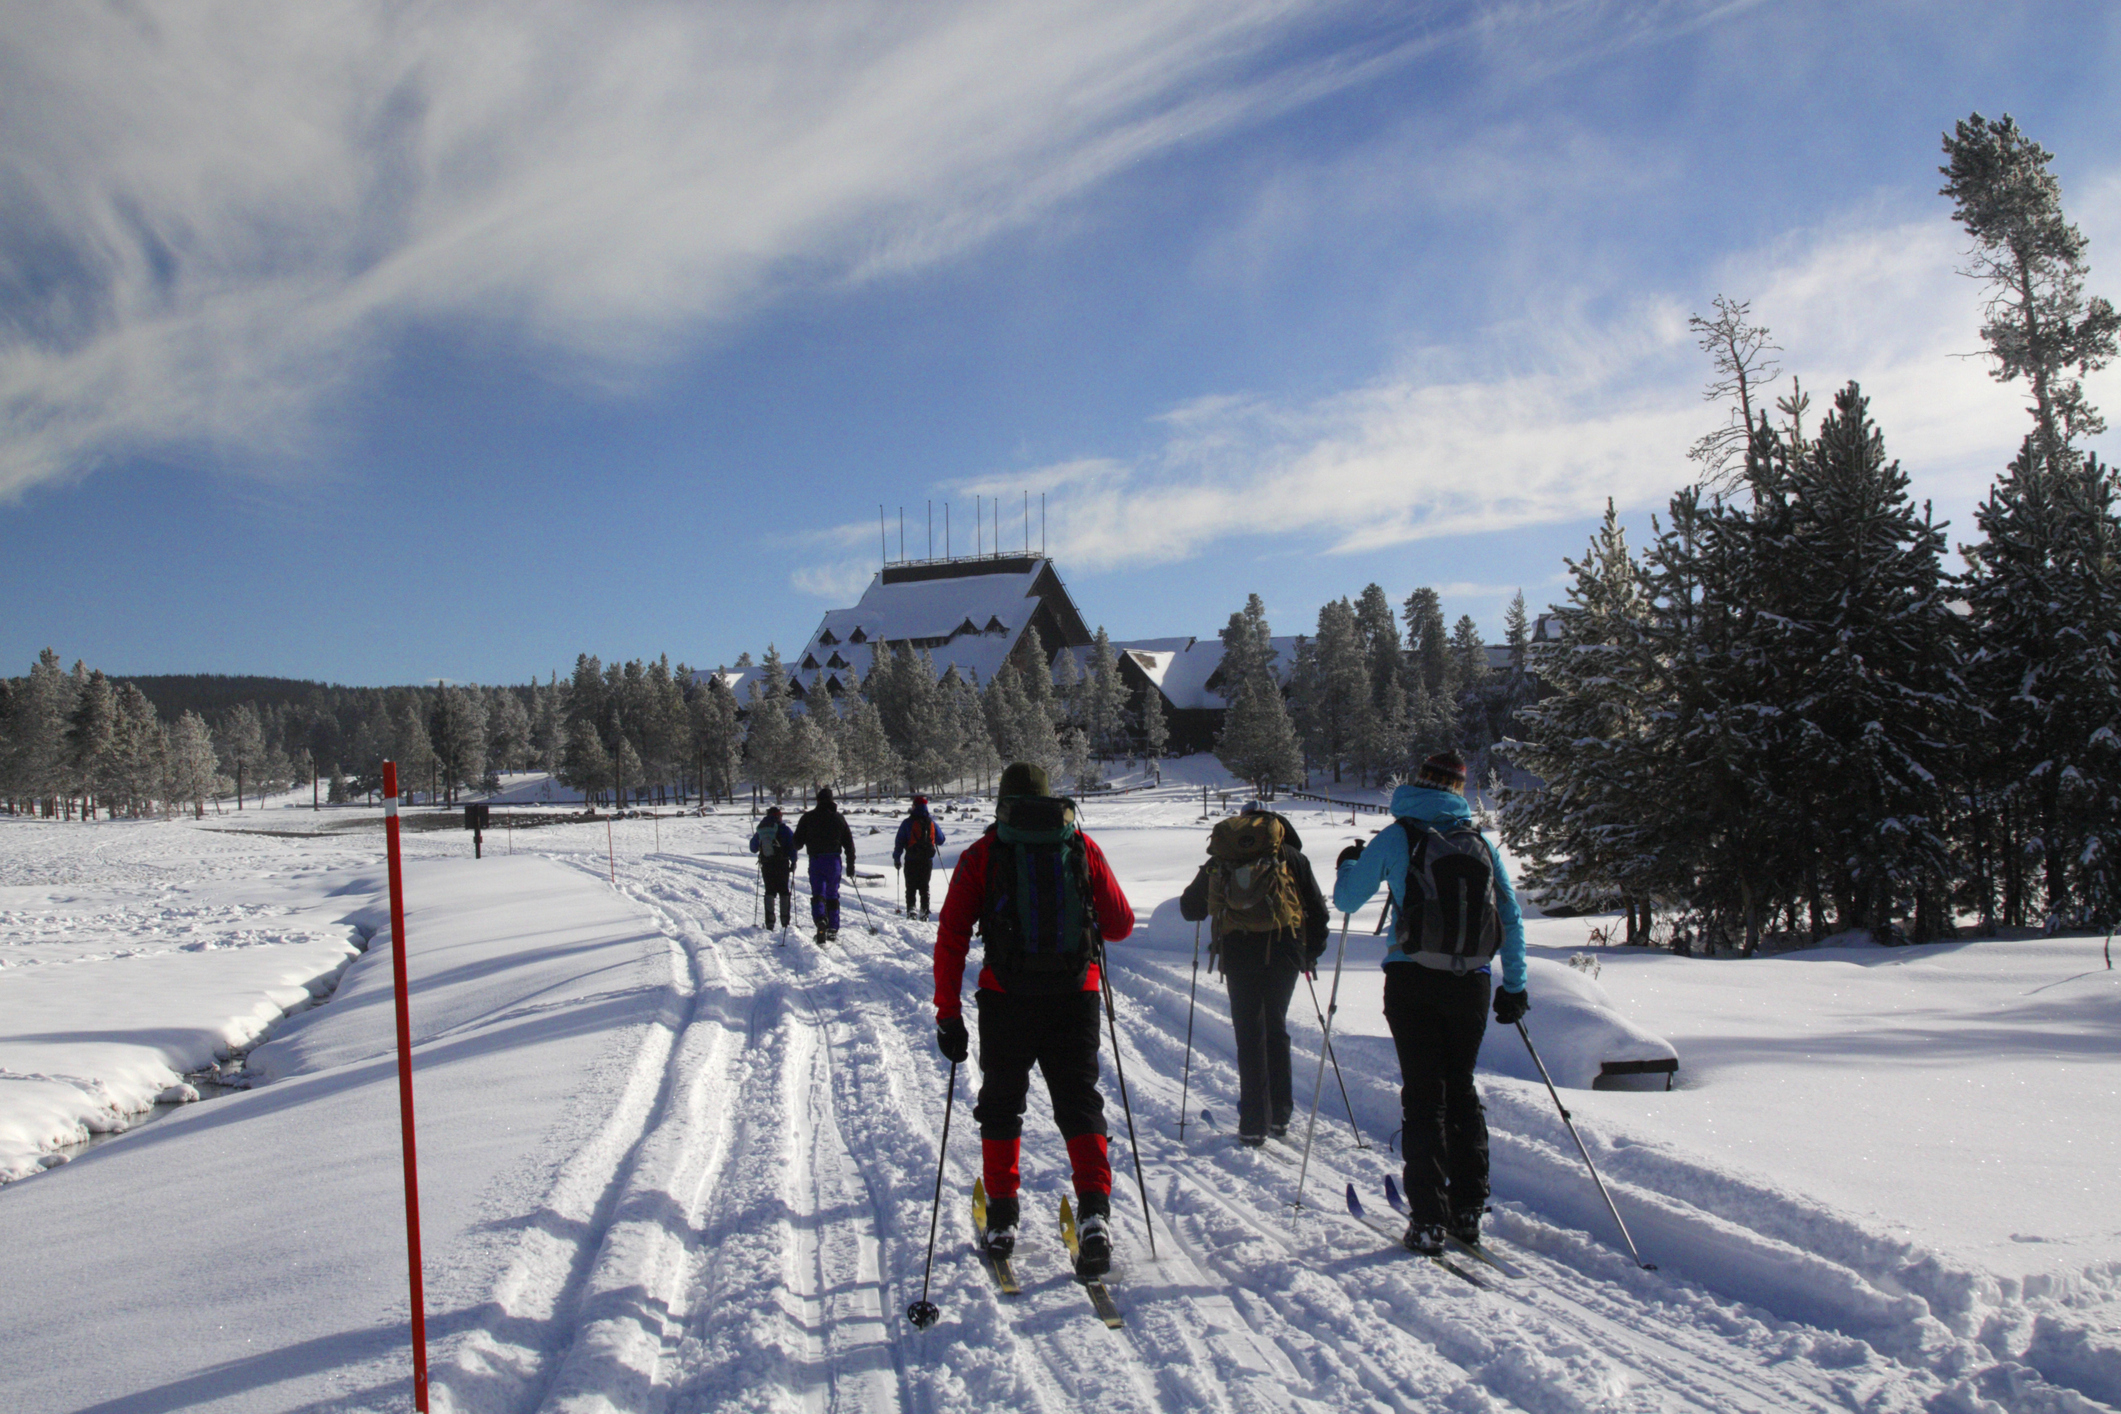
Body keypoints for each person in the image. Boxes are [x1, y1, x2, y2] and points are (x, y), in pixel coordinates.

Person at [933, 761, 1134, 1278]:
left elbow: (952, 937)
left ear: (1003, 802)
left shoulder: (983, 854)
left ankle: (1002, 1217)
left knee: (1001, 1104)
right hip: (1075, 993)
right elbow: (1121, 925)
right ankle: (1094, 1214)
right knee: (1079, 1102)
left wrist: (948, 1014)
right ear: (1051, 799)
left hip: (1007, 996)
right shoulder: (1080, 846)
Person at [1333, 750, 1527, 1257]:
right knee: (1460, 1088)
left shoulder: (1399, 835)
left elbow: (1348, 899)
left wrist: (1350, 864)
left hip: (1412, 978)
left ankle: (1427, 1219)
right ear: (1458, 792)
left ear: (1419, 785)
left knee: (1424, 1093)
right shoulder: (1479, 841)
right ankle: (1467, 1208)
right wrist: (1515, 985)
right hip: (1473, 984)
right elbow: (1510, 913)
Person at [1178, 806, 1329, 1145]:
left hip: (1238, 949)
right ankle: (1279, 1115)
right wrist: (1309, 954)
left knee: (1250, 1032)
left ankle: (1252, 1123)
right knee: (1275, 1026)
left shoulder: (1223, 856)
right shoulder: (1292, 857)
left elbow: (1190, 909)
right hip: (1285, 949)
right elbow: (1318, 911)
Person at [790, 786, 856, 943]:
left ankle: (820, 920)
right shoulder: (839, 818)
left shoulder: (808, 818)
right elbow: (849, 844)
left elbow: (797, 843)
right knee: (832, 894)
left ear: (818, 801)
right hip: (834, 861)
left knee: (819, 893)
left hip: (816, 860)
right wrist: (851, 864)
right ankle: (833, 928)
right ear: (832, 801)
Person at [893, 795, 946, 920]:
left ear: (914, 806)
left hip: (911, 859)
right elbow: (941, 840)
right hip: (927, 860)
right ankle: (924, 910)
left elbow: (899, 841)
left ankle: (911, 909)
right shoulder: (931, 822)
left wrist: (897, 858)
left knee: (910, 886)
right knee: (924, 885)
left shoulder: (907, 823)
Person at [749, 805, 795, 930]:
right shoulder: (784, 829)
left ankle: (769, 922)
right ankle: (785, 922)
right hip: (782, 864)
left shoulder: (762, 829)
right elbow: (793, 846)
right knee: (784, 891)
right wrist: (794, 862)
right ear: (778, 816)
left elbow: (753, 848)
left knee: (770, 891)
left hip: (767, 864)